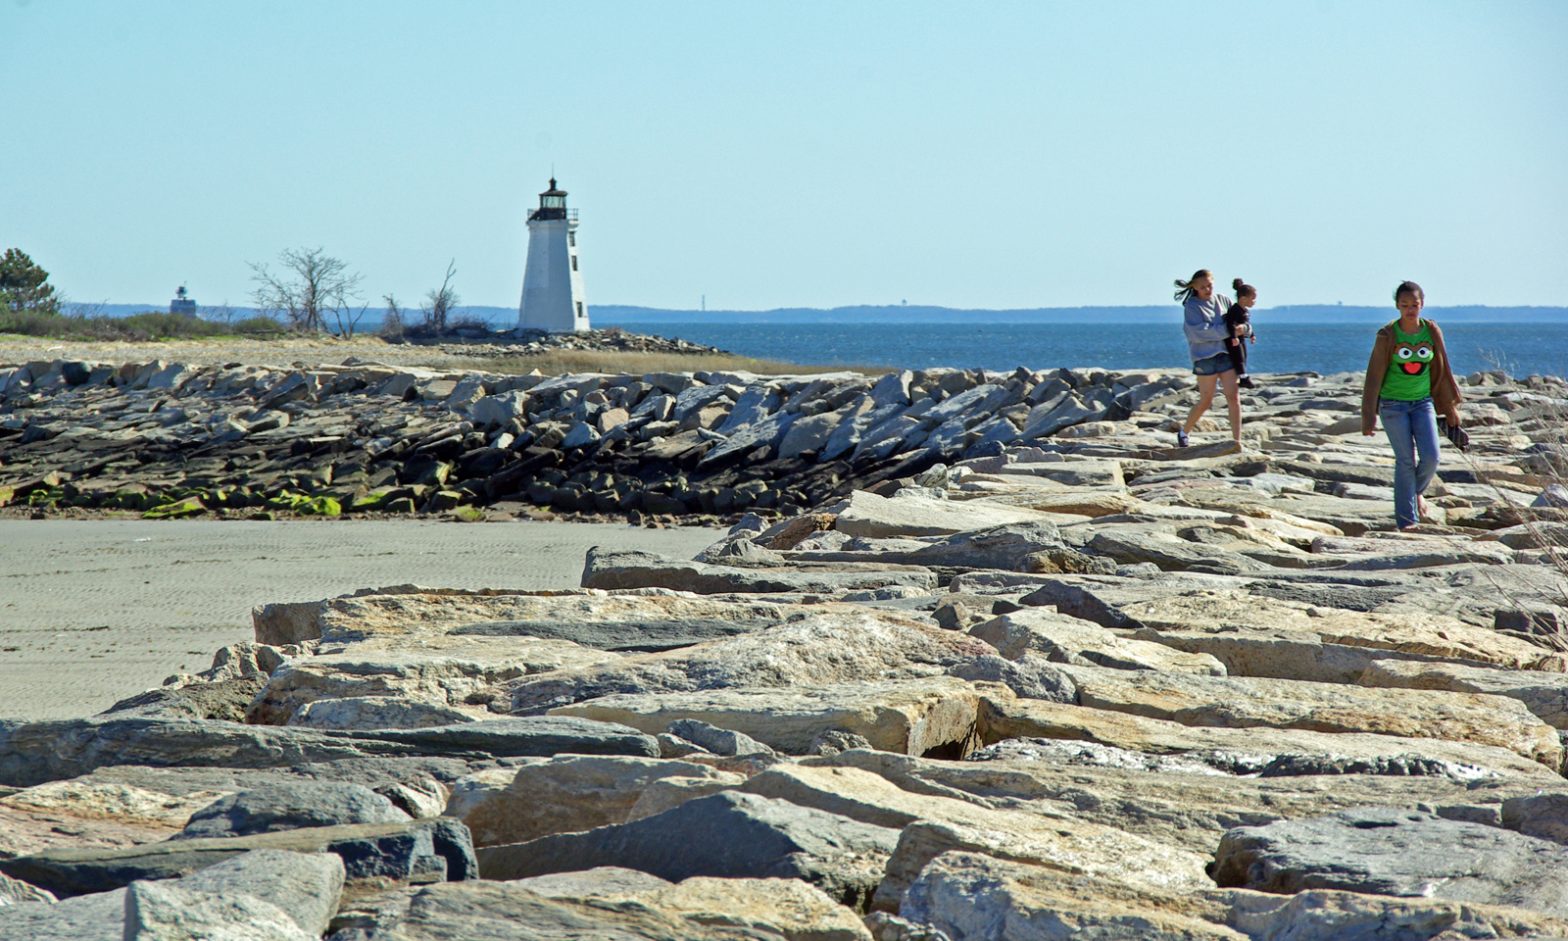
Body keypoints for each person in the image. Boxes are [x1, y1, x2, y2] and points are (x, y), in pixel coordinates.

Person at [1360, 280, 1463, 530]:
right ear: (1397, 306)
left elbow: (1443, 370)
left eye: (1414, 305)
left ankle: (1416, 492)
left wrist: (1450, 408)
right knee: (1405, 461)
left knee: (1431, 457)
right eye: (1405, 305)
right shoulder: (1387, 335)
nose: (1410, 310)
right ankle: (1407, 521)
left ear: (1422, 304)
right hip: (1393, 405)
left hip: (1422, 403)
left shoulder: (1431, 330)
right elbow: (1373, 377)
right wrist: (1368, 418)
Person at [1174, 268, 1244, 449]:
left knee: (1233, 397)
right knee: (1206, 400)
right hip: (1205, 358)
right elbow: (1198, 333)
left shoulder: (1224, 300)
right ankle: (1184, 433)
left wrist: (1246, 330)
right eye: (1203, 287)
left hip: (1227, 355)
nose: (1207, 289)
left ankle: (1237, 441)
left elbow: (1240, 319)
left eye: (1210, 285)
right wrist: (1227, 331)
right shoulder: (1192, 306)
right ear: (1195, 287)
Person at [1225, 278, 1259, 389]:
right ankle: (1244, 378)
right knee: (1238, 358)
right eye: (1253, 299)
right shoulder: (1235, 310)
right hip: (1234, 340)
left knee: (1244, 357)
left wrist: (1252, 335)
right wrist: (1233, 337)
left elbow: (1246, 324)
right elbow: (1230, 324)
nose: (1254, 301)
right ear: (1243, 299)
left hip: (1242, 339)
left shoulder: (1245, 311)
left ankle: (1242, 377)